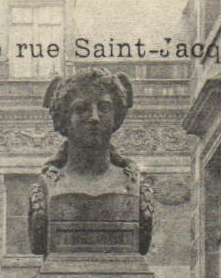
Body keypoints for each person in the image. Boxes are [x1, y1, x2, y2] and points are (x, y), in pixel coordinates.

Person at [30, 67, 154, 256]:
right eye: (81, 109)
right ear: (64, 119)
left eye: (104, 108)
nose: (94, 117)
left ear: (116, 117)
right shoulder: (47, 186)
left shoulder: (133, 185)